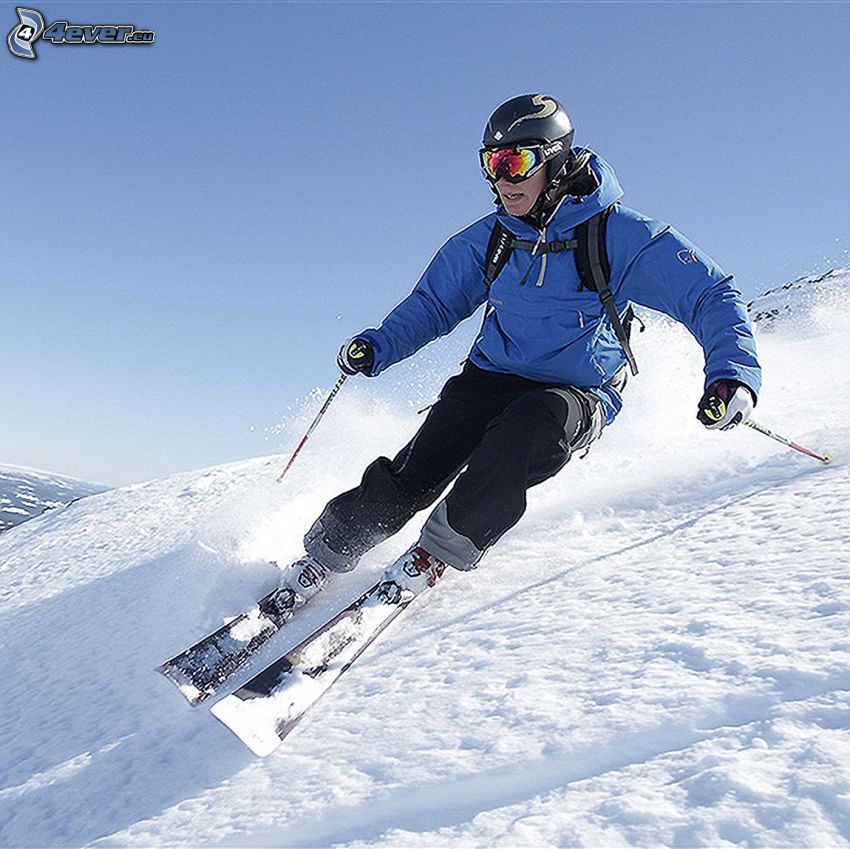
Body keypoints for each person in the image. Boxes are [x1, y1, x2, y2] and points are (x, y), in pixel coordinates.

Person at [279, 93, 761, 604]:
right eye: (491, 163)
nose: (501, 180)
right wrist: (379, 346)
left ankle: (434, 554)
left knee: (524, 433)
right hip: (492, 375)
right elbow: (433, 304)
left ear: (555, 160)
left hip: (576, 390)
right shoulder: (490, 240)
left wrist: (733, 376)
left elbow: (709, 294)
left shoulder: (619, 236)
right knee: (420, 465)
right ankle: (325, 554)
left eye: (515, 162)